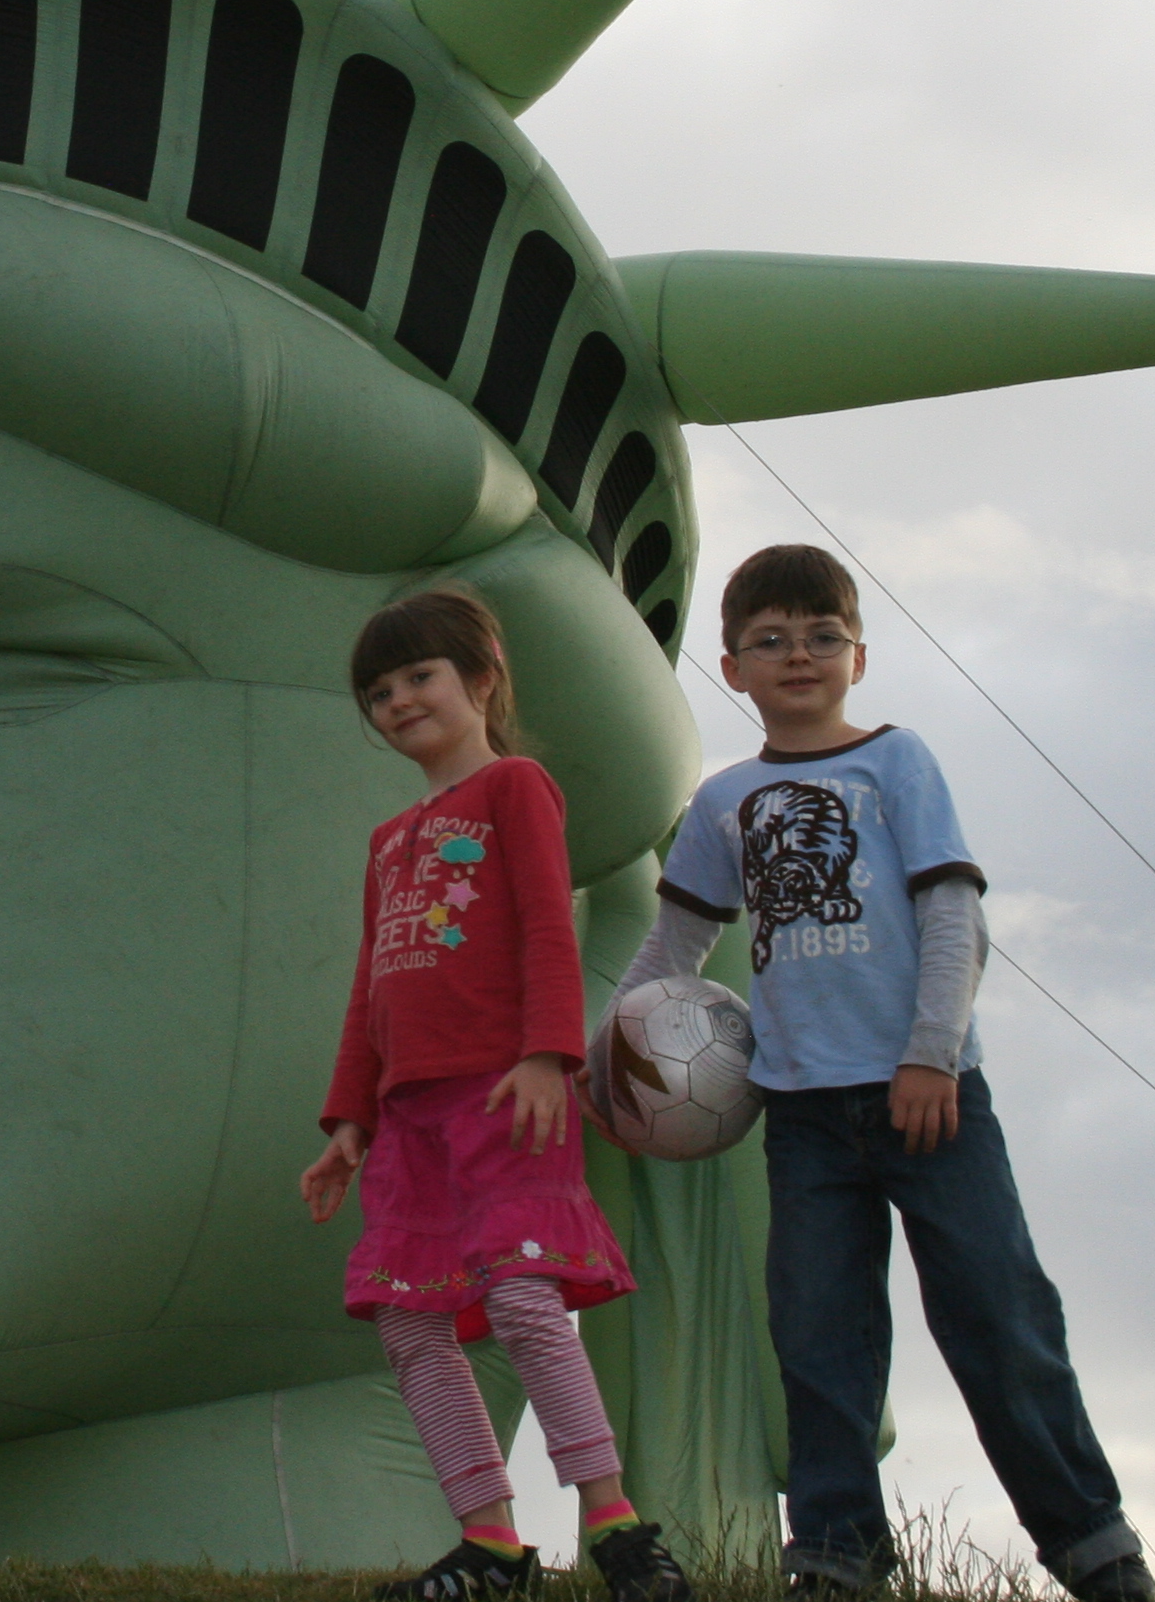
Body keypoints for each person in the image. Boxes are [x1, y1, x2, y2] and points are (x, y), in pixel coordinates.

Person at [613, 544, 1152, 1602]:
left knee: (999, 1319)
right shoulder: (725, 800)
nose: (798, 655)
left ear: (858, 657)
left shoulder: (898, 763)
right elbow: (670, 953)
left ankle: (1096, 1549)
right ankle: (837, 1558)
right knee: (820, 1341)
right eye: (771, 639)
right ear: (733, 666)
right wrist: (604, 1063)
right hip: (803, 1116)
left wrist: (929, 1055)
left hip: (929, 1099)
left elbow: (954, 914)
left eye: (823, 636)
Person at [305, 588, 696, 1602]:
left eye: (419, 676)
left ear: (481, 680)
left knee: (523, 1298)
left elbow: (546, 923)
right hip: (407, 1121)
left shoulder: (515, 787)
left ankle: (615, 1526)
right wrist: (349, 1120)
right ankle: (489, 1542)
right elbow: (370, 986)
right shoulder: (388, 840)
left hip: (505, 1095)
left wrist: (548, 1054)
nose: (399, 700)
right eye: (378, 692)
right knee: (408, 1323)